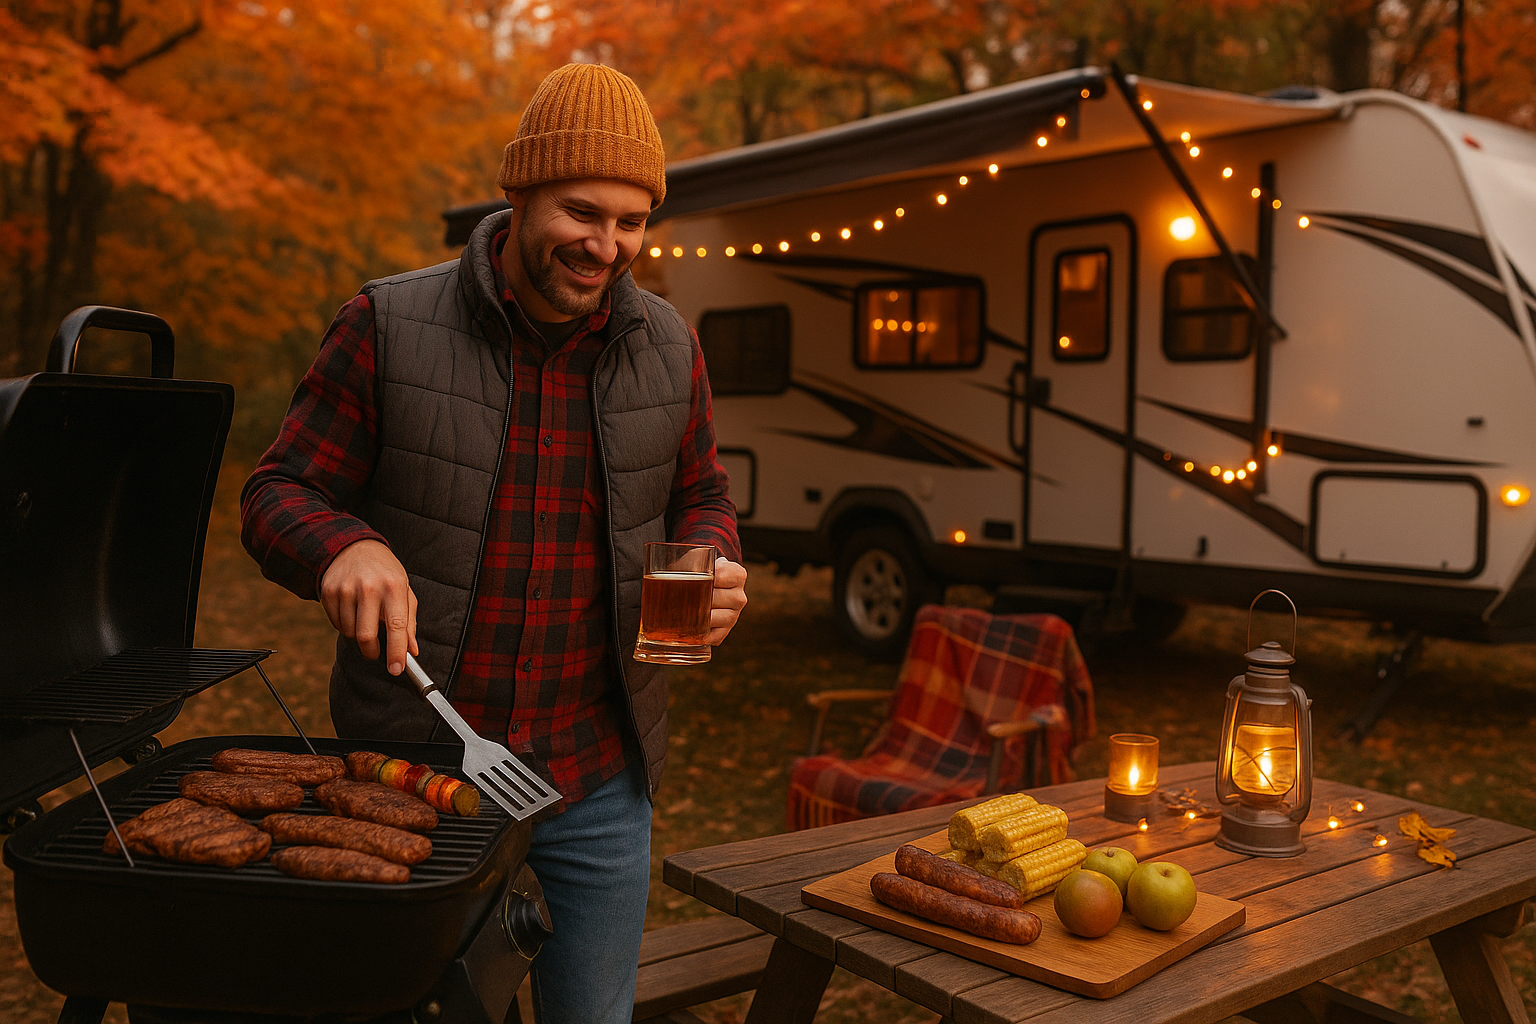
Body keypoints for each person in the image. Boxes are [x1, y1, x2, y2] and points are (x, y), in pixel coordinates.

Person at [240, 62, 746, 1024]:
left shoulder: (670, 346)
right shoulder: (387, 323)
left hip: (599, 778)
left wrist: (714, 556)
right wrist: (339, 546)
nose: (607, 246)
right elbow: (276, 492)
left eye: (632, 221)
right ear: (518, 194)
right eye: (582, 211)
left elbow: (703, 495)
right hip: (417, 777)